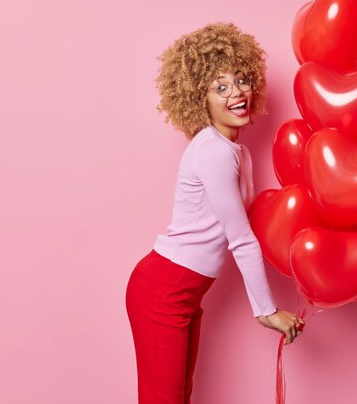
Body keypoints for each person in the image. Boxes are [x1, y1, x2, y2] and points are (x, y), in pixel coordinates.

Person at [125, 22, 304, 404]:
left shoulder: (238, 151)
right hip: (164, 288)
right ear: (198, 98)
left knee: (178, 396)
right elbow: (240, 238)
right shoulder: (214, 152)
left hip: (185, 291)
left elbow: (255, 222)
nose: (236, 92)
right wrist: (267, 311)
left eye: (241, 80)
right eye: (220, 87)